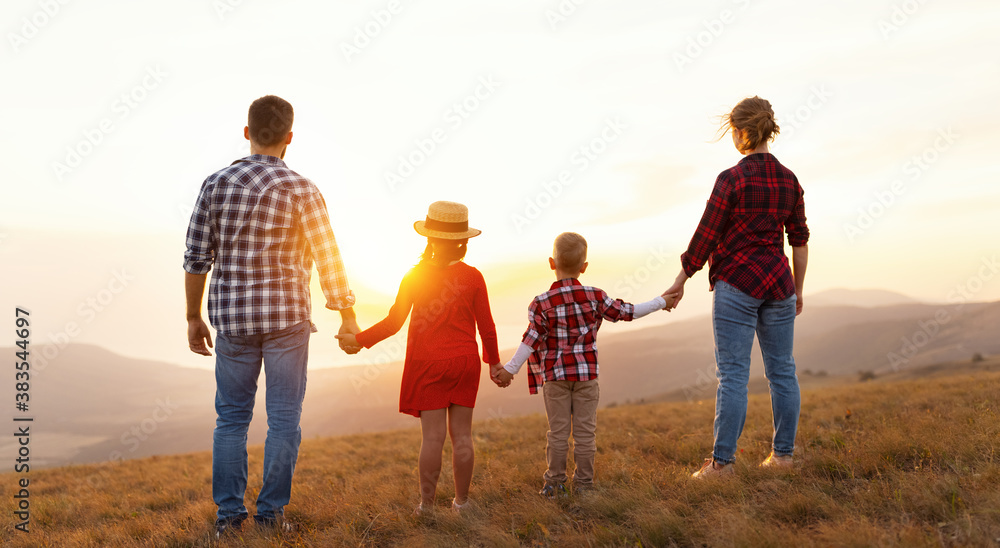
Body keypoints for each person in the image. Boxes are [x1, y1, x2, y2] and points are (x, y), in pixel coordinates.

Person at [183, 95, 361, 538]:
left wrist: (192, 316)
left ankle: (228, 520)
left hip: (233, 321)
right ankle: (270, 517)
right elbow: (329, 260)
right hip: (287, 320)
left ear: (247, 133)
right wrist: (347, 317)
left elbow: (195, 257)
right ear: (289, 138)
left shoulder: (215, 184)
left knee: (231, 420)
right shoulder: (303, 189)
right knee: (283, 419)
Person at [662, 96, 810, 478]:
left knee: (733, 375)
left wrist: (680, 280)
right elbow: (799, 240)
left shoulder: (731, 179)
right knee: (783, 371)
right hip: (779, 283)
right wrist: (798, 289)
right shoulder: (790, 180)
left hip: (737, 284)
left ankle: (723, 464)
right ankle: (783, 458)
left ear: (742, 132)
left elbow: (706, 235)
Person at [336, 201, 500, 515]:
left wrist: (357, 340)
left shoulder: (414, 276)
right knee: (463, 435)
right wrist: (493, 363)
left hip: (429, 364)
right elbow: (487, 326)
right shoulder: (474, 277)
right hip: (465, 361)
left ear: (430, 239)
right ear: (463, 241)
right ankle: (462, 503)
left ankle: (426, 506)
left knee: (433, 438)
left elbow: (393, 322)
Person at [492, 232, 676, 497]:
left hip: (555, 378)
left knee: (557, 433)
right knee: (585, 434)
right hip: (586, 377)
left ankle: (555, 485)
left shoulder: (541, 303)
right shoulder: (595, 296)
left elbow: (530, 339)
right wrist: (662, 301)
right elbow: (628, 312)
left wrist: (510, 370)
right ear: (584, 267)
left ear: (551, 263)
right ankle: (585, 486)